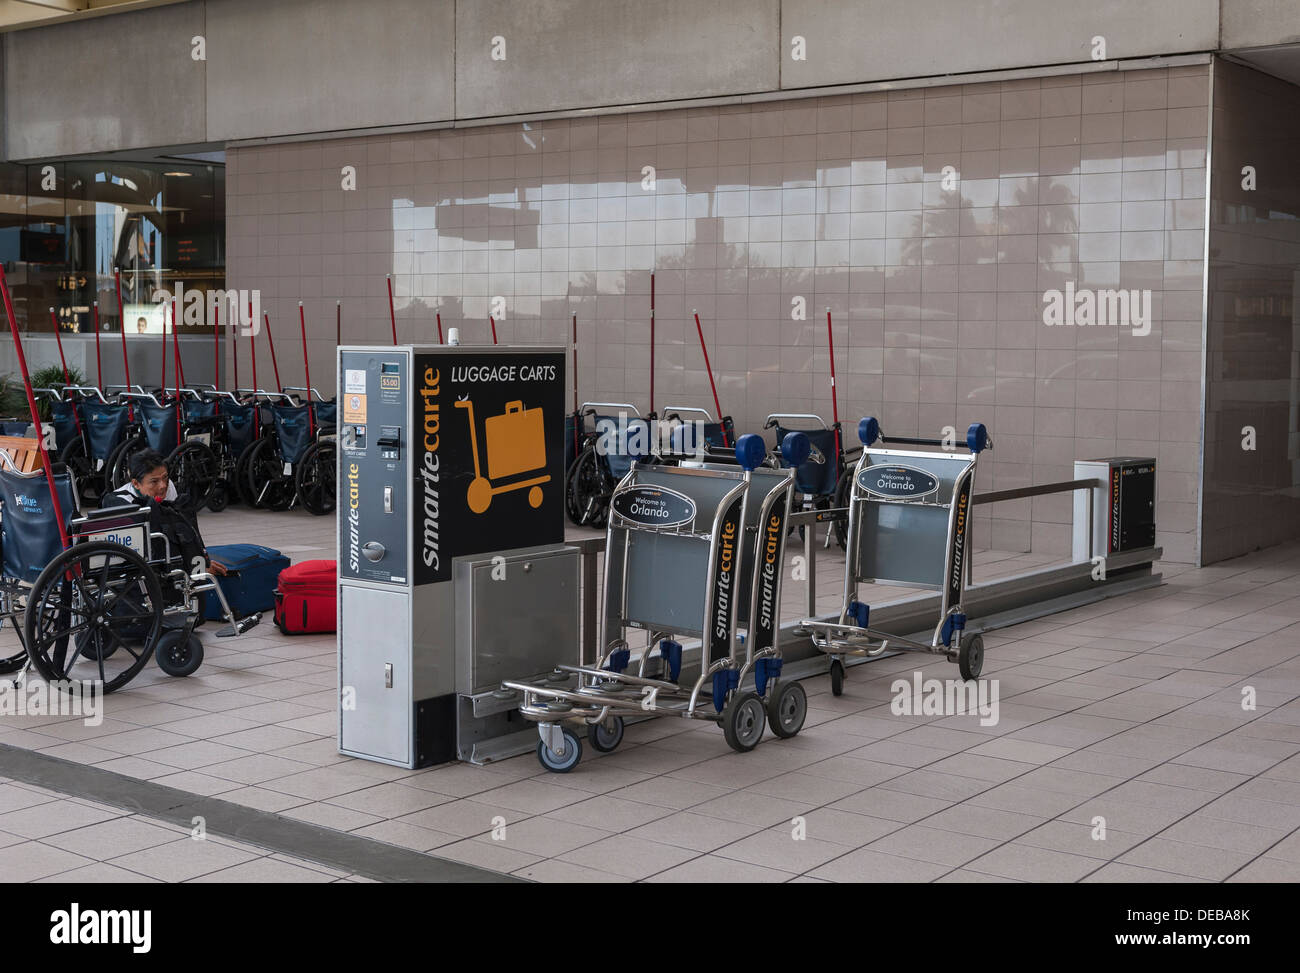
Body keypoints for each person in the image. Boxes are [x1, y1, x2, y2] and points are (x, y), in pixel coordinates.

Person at [102, 448, 226, 576]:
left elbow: (185, 529)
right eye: (154, 481)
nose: (162, 486)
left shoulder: (168, 486)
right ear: (136, 483)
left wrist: (202, 562)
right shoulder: (120, 501)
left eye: (165, 477)